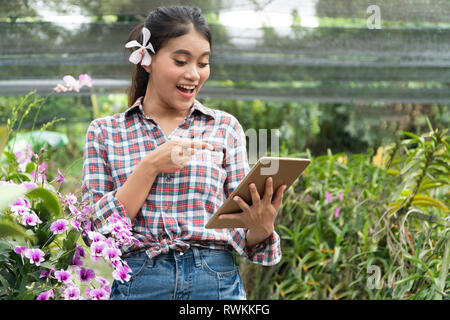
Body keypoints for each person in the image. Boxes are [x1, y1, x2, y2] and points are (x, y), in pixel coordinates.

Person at [81, 5, 286, 300]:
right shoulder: (105, 132)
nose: (194, 74)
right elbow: (97, 232)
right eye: (180, 61)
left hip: (215, 281)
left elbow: (241, 233)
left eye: (203, 63)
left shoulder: (225, 127)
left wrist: (261, 227)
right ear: (146, 59)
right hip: (139, 282)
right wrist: (150, 166)